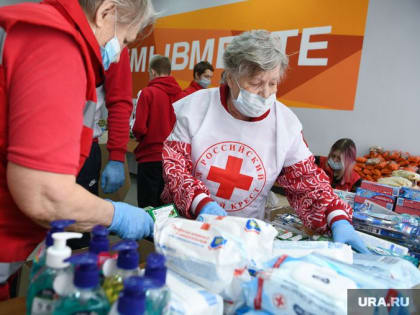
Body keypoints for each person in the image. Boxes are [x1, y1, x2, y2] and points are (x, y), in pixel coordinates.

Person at [0, 0, 155, 300]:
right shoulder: (55, 42)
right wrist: (116, 215)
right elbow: (45, 195)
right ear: (105, 12)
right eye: (124, 40)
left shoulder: (36, 30)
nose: (120, 52)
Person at [162, 30, 368, 254]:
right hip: (189, 229)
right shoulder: (194, 108)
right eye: (256, 83)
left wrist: (336, 216)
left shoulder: (286, 125)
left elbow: (307, 182)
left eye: (273, 83)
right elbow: (175, 168)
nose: (266, 93)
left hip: (245, 237)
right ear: (230, 78)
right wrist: (200, 203)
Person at [70, 48, 133, 250]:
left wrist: (116, 157)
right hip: (32, 143)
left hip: (82, 149)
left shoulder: (112, 44)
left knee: (75, 232)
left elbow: (120, 102)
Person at [133, 55, 185, 207]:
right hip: (173, 160)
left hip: (150, 157)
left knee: (147, 207)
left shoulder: (147, 93)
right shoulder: (182, 95)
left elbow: (139, 128)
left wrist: (138, 136)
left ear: (153, 72)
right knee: (166, 207)